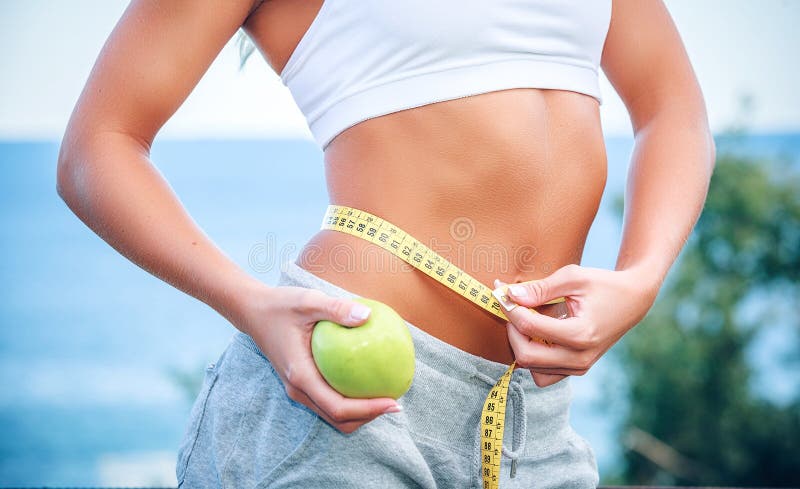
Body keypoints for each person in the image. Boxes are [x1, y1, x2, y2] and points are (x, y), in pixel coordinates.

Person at [56, 0, 715, 487]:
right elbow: (97, 146)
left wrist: (642, 276)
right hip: (337, 396)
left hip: (528, 413)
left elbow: (673, 108)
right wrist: (247, 300)